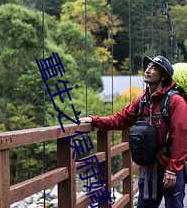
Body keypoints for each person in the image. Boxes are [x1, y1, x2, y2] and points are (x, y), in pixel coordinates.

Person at [79, 55, 187, 208]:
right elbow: (121, 119)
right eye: (147, 67)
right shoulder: (142, 101)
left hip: (170, 170)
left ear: (163, 76)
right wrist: (95, 120)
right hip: (150, 169)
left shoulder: (176, 102)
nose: (147, 70)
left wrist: (173, 170)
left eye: (153, 68)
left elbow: (181, 137)